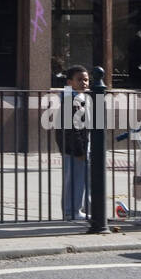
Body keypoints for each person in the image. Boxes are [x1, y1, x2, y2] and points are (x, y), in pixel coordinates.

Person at [56, 65, 91, 221]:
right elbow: (71, 128)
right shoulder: (70, 99)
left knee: (80, 178)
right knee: (74, 179)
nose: (84, 82)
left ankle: (77, 209)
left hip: (80, 145)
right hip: (73, 147)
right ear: (70, 82)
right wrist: (79, 150)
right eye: (80, 80)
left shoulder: (83, 98)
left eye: (86, 79)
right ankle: (71, 211)